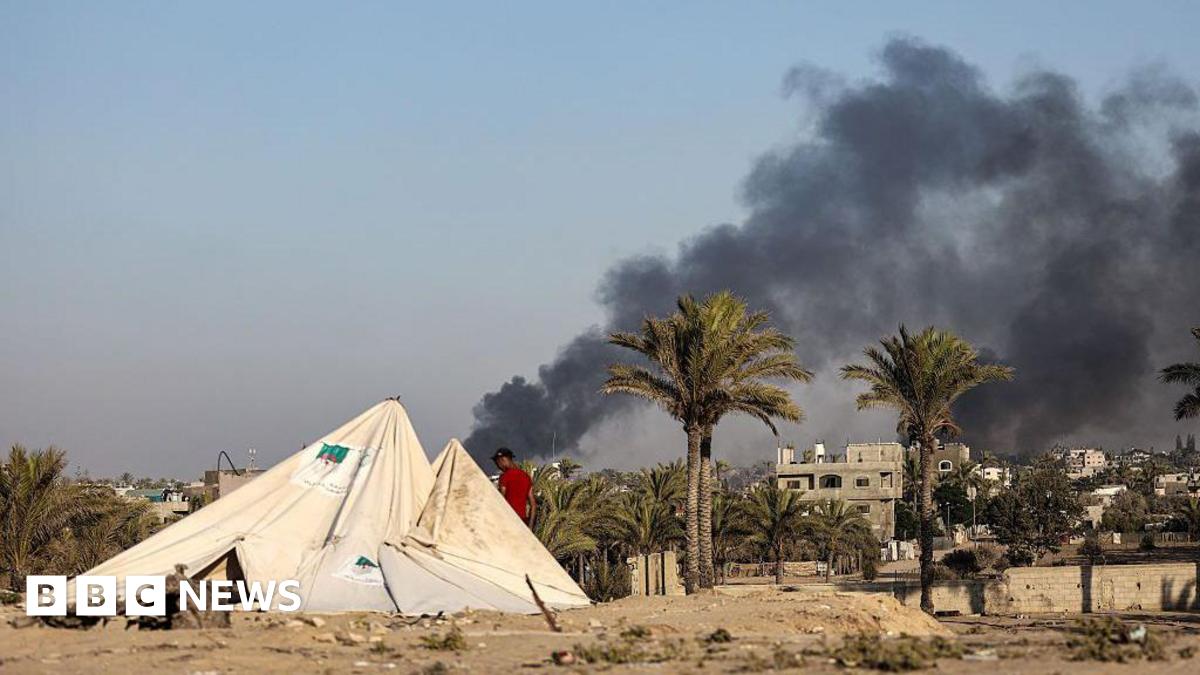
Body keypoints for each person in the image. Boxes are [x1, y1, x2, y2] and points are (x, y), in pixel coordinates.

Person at [492, 447, 536, 527]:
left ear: (502, 460)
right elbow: (533, 505)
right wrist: (530, 527)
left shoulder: (504, 477)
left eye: (497, 463)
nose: (498, 467)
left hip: (509, 521)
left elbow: (500, 501)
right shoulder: (526, 476)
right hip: (523, 522)